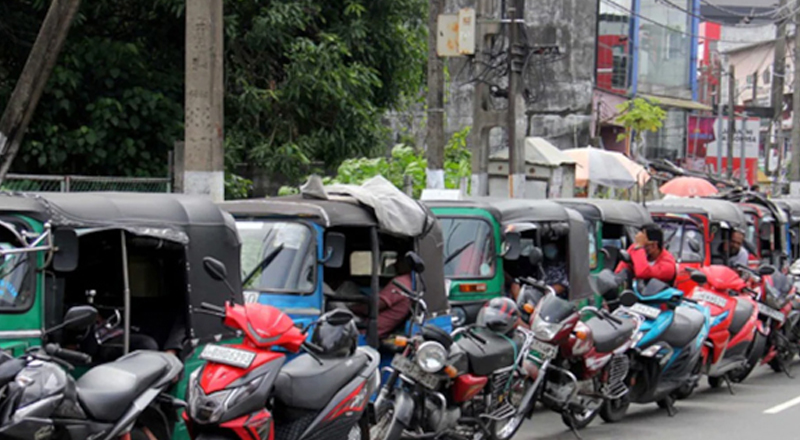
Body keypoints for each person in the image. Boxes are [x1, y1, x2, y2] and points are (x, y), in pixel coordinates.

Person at [342, 260, 413, 340]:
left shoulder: (401, 283)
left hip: (365, 332)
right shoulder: (411, 282)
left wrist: (349, 307)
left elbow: (372, 307)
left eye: (399, 260)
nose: (395, 264)